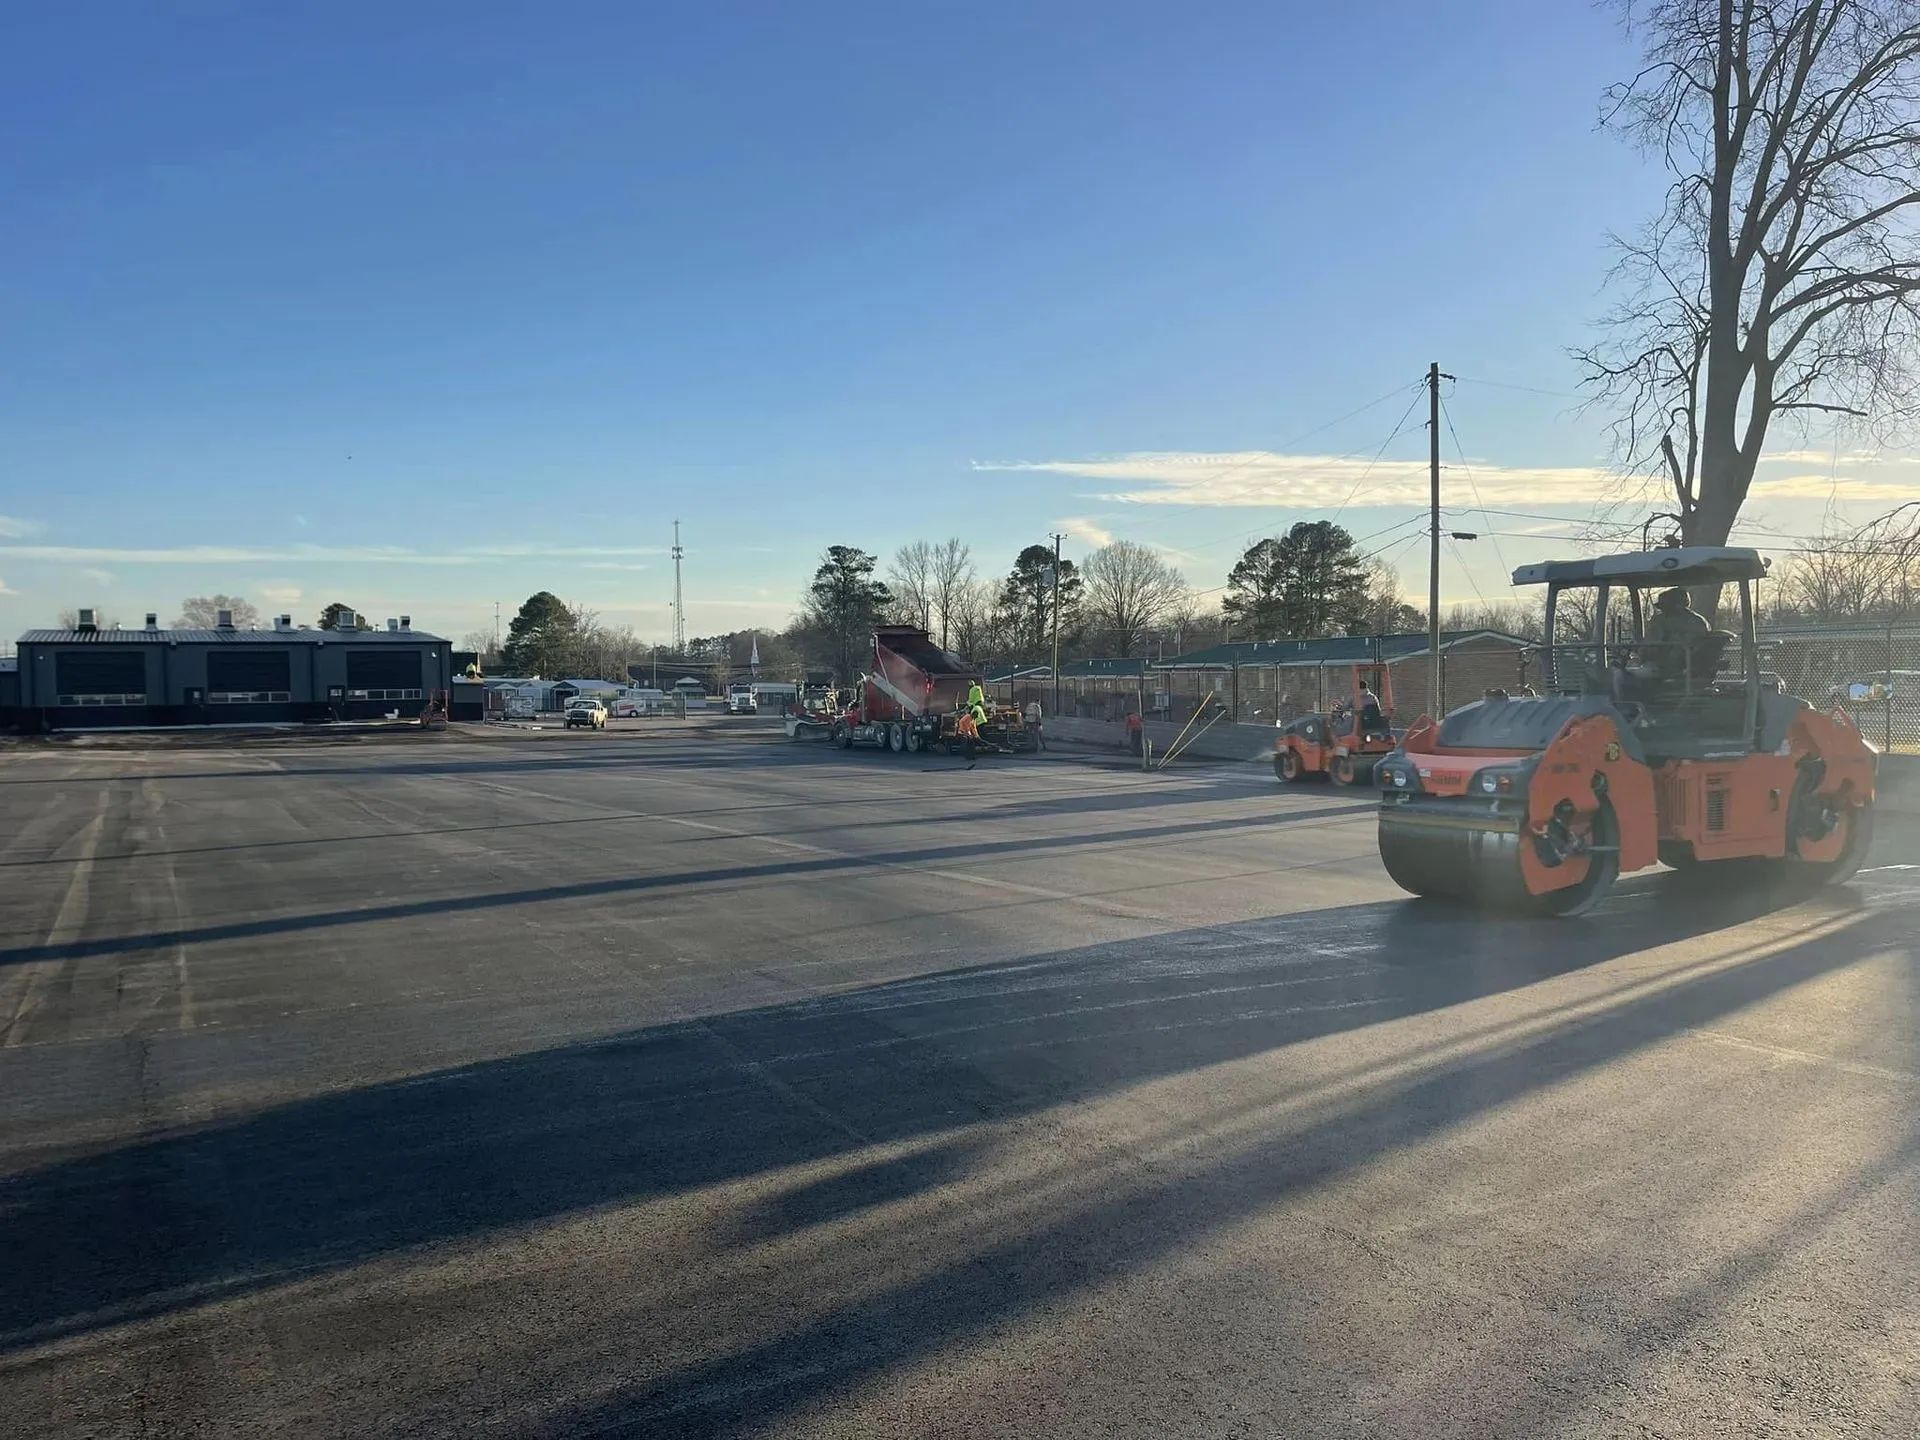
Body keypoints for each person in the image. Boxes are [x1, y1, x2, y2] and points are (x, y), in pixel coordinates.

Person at [1644, 587, 1710, 677]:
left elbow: (1696, 648)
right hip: (1653, 666)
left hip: (1684, 669)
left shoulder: (1696, 622)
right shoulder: (1658, 620)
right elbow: (1649, 643)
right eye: (1662, 607)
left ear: (1680, 604)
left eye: (1668, 606)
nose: (1664, 610)